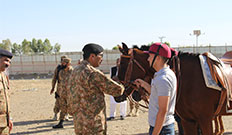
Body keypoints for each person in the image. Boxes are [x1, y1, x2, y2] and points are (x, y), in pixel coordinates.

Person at [67, 43, 124, 135]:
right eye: (101, 56)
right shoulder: (93, 73)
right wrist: (120, 83)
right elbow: (117, 90)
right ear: (92, 56)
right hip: (93, 125)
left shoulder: (75, 70)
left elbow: (69, 92)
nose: (102, 59)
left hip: (79, 122)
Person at [134, 43, 177, 135]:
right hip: (162, 127)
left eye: (150, 56)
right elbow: (157, 93)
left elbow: (162, 110)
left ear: (158, 58)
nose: (148, 59)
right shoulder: (164, 74)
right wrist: (144, 84)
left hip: (162, 128)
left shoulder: (163, 79)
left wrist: (155, 133)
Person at [53, 58, 73, 128]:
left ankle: (78, 123)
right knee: (63, 108)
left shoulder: (73, 71)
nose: (62, 64)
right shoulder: (61, 71)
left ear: (68, 64)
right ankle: (61, 123)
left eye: (64, 63)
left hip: (70, 94)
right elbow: (59, 82)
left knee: (72, 108)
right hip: (62, 93)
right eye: (62, 63)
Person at [50, 55, 68, 120]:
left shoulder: (70, 69)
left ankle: (66, 115)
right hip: (60, 88)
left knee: (67, 102)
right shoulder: (58, 68)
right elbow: (54, 78)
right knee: (58, 102)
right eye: (63, 60)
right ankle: (55, 114)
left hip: (67, 89)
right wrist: (53, 88)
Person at [0, 49, 13, 135]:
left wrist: (9, 118)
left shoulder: (4, 77)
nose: (8, 64)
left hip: (3, 124)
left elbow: (5, 100)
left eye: (9, 62)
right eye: (5, 60)